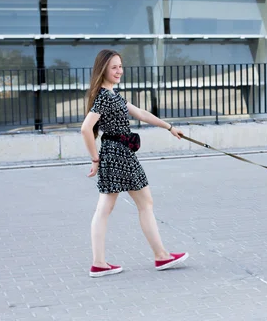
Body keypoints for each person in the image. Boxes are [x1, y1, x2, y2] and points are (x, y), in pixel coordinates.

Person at [81, 49, 188, 277]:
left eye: (120, 66)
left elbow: (139, 112)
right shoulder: (104, 97)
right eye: (114, 67)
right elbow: (85, 128)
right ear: (103, 70)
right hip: (119, 153)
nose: (119, 71)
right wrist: (94, 158)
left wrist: (169, 127)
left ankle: (101, 262)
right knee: (136, 205)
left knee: (113, 207)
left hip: (117, 153)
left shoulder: (112, 94)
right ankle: (159, 256)